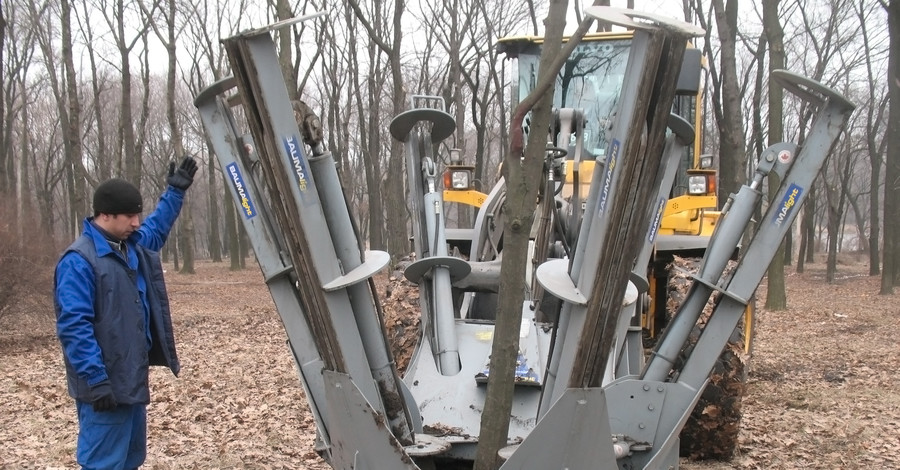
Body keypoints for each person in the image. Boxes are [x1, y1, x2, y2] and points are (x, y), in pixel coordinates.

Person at [54, 156, 198, 469]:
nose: (136, 223)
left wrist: (174, 193)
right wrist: (96, 380)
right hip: (104, 385)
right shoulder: (79, 262)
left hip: (131, 379)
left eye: (137, 215)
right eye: (129, 216)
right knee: (104, 463)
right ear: (105, 215)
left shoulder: (131, 245)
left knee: (131, 458)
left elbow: (156, 228)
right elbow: (74, 327)